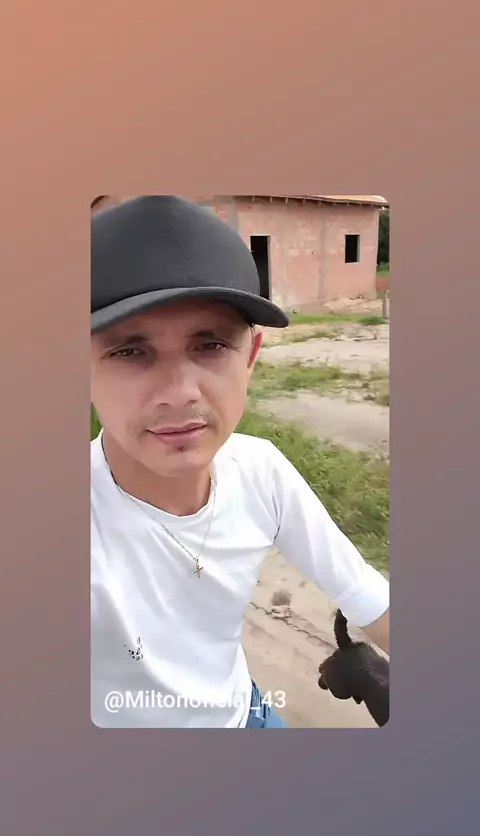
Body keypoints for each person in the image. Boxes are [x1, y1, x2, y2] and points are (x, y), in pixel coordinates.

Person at [90, 196, 390, 729]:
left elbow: (368, 596)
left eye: (209, 345)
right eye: (129, 352)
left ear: (250, 357)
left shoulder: (259, 472)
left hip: (247, 714)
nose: (180, 392)